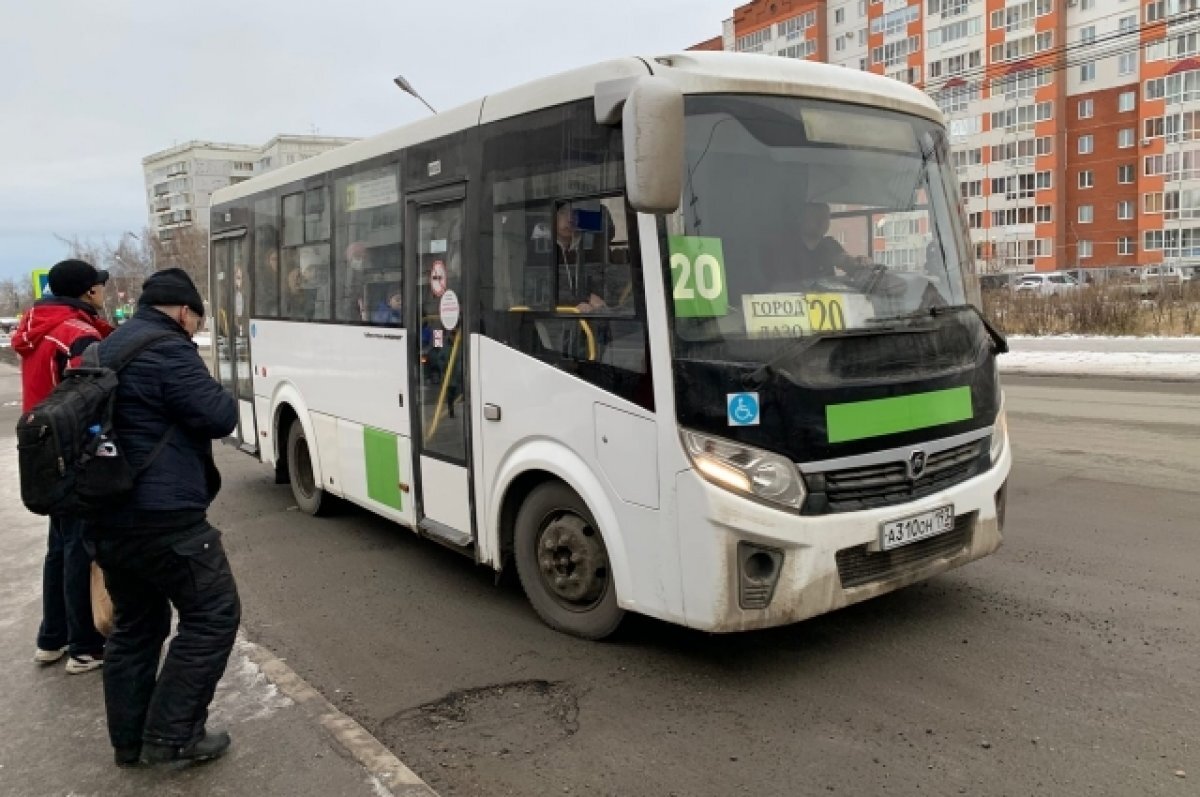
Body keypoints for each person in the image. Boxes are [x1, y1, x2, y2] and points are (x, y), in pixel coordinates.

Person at [86, 268, 241, 768]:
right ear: (184, 311)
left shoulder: (104, 349)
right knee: (213, 614)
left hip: (108, 514)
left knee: (136, 625)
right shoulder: (169, 349)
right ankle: (173, 735)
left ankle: (129, 742)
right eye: (197, 319)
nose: (195, 328)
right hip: (165, 517)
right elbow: (218, 415)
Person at [13, 259, 114, 674]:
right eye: (100, 286)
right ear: (88, 292)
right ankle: (84, 646)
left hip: (41, 449)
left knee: (59, 546)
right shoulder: (76, 334)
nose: (103, 292)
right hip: (72, 451)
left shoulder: (36, 327)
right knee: (80, 548)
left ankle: (51, 638)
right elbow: (88, 397)